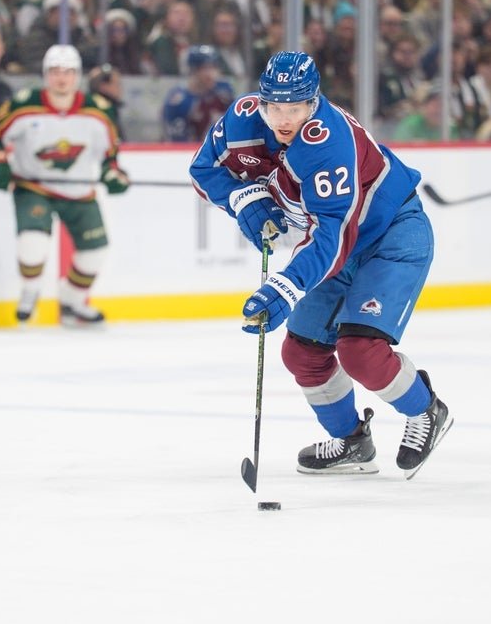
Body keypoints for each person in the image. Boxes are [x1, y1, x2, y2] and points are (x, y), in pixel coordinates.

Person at [189, 51, 452, 478]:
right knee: (302, 353)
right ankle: (352, 441)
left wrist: (286, 287)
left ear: (313, 103)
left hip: (389, 233)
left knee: (360, 352)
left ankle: (426, 410)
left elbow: (333, 235)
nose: (284, 119)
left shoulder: (327, 141)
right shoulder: (242, 118)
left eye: (295, 108)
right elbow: (203, 170)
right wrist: (243, 197)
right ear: (261, 101)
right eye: (275, 108)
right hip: (335, 244)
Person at [0, 44, 129, 326]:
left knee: (95, 252)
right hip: (33, 186)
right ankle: (30, 291)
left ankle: (72, 301)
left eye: (68, 72)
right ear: (45, 74)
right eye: (55, 71)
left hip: (79, 191)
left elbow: (109, 153)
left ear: (77, 75)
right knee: (32, 244)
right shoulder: (23, 105)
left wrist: (112, 173)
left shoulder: (99, 111)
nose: (61, 78)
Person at [161, 45, 235, 142]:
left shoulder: (224, 91)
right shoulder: (179, 100)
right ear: (193, 70)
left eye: (214, 67)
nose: (211, 73)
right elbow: (177, 141)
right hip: (190, 149)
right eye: (205, 68)